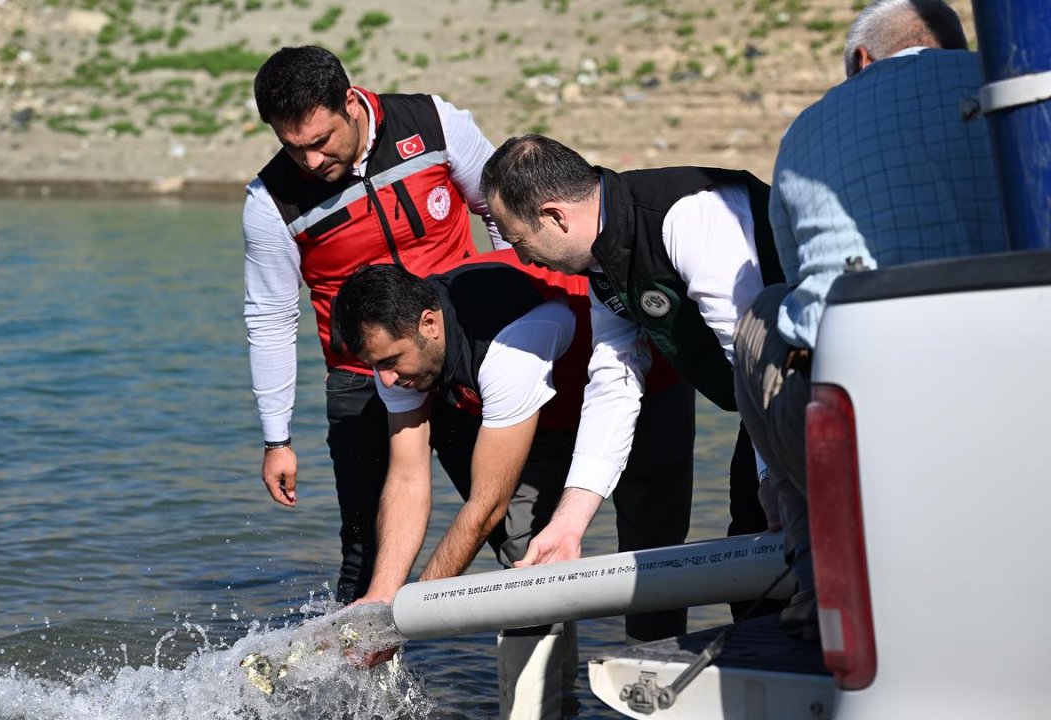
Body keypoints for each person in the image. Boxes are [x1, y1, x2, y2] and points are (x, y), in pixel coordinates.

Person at [733, 0, 1007, 631]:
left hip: (875, 406)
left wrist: (769, 473)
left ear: (862, 59)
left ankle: (814, 586)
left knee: (763, 317)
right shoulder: (1012, 94)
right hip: (1013, 380)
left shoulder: (810, 128)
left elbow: (799, 286)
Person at [242, 45, 502, 605]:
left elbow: (502, 209)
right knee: (366, 555)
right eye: (293, 148)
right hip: (362, 378)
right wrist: (276, 438)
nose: (310, 162)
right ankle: (357, 689)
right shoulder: (270, 202)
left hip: (460, 356)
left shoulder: (433, 122)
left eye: (320, 142)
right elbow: (270, 317)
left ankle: (539, 688)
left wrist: (516, 313)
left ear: (350, 104)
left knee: (511, 528)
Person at [478, 135, 784, 584]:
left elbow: (752, 354)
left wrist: (777, 476)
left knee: (766, 535)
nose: (524, 258)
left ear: (555, 216)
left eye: (519, 241)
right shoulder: (604, 257)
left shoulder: (686, 217)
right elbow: (613, 384)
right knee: (751, 549)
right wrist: (569, 522)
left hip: (820, 382)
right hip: (767, 398)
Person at [332, 251, 592, 720]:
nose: (387, 378)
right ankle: (549, 706)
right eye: (378, 366)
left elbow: (485, 506)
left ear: (429, 324)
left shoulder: (510, 348)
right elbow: (408, 478)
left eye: (392, 361)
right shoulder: (394, 352)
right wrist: (384, 596)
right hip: (521, 406)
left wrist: (408, 621)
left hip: (627, 386)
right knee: (526, 554)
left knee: (649, 541)